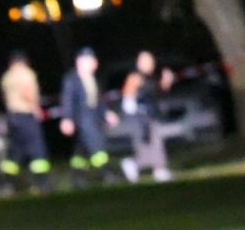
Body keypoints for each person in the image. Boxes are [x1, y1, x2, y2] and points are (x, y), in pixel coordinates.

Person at [59, 47, 121, 186]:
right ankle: (108, 173)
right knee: (96, 144)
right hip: (82, 118)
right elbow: (67, 100)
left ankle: (77, 178)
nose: (94, 63)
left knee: (81, 151)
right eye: (91, 60)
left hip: (93, 117)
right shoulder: (72, 79)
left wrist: (106, 113)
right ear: (80, 61)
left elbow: (99, 100)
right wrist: (67, 119)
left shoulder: (93, 79)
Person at [118, 51, 177, 183]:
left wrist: (167, 81)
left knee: (154, 143)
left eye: (151, 61)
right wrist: (136, 114)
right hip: (140, 116)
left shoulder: (151, 77)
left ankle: (148, 167)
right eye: (146, 62)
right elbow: (128, 97)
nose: (150, 64)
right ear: (139, 63)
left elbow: (158, 92)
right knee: (148, 144)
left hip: (151, 114)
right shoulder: (135, 77)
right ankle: (148, 167)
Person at [0, 51, 50, 194]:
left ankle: (6, 184)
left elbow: (4, 96)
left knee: (15, 151)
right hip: (26, 115)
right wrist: (36, 108)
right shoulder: (26, 74)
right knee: (37, 148)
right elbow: (27, 93)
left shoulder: (7, 76)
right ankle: (42, 183)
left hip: (12, 116)